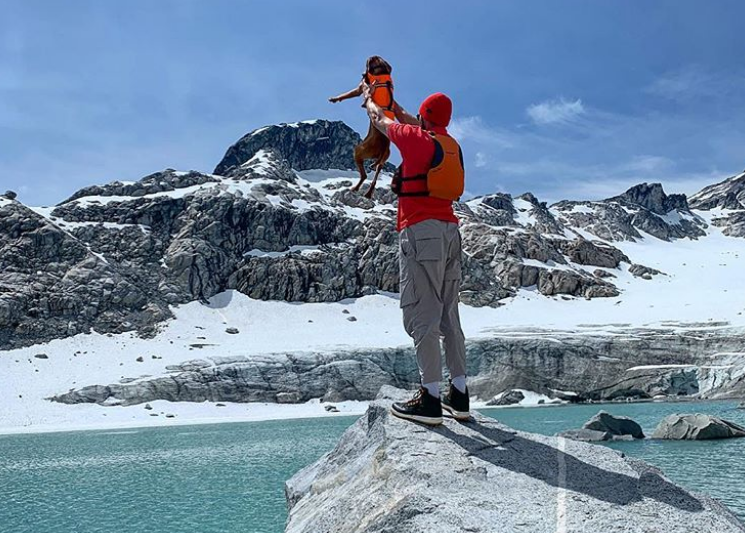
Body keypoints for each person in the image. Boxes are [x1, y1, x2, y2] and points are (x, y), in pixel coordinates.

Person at [362, 83, 469, 426]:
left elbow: (381, 121)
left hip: (420, 231)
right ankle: (459, 394)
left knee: (422, 312)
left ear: (424, 117)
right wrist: (393, 102)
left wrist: (370, 102)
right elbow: (411, 119)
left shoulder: (416, 139)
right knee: (449, 315)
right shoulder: (450, 145)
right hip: (451, 232)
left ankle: (431, 399)